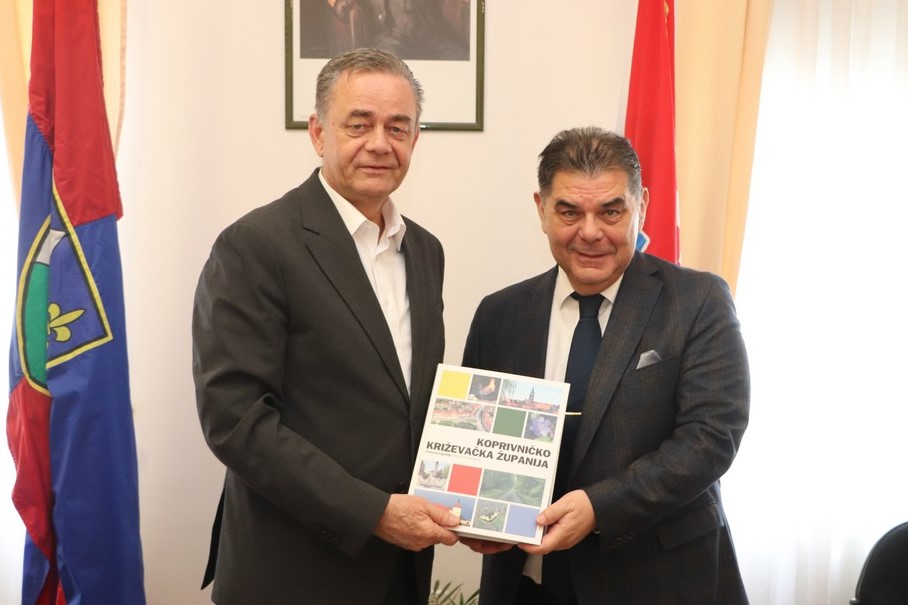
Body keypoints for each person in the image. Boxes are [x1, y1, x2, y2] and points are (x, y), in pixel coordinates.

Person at [192, 48, 460, 605]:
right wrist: (373, 512)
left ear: (415, 139)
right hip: (293, 572)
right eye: (358, 124)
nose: (380, 143)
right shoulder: (256, 245)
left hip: (400, 573)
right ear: (318, 133)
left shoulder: (426, 251)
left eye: (398, 127)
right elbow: (235, 419)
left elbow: (409, 404)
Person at [460, 127, 750, 604]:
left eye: (611, 212)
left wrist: (600, 506)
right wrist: (473, 511)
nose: (590, 232)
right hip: (525, 585)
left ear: (642, 206)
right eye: (569, 212)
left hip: (655, 583)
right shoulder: (500, 314)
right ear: (541, 209)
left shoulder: (698, 301)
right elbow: (476, 440)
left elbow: (711, 437)